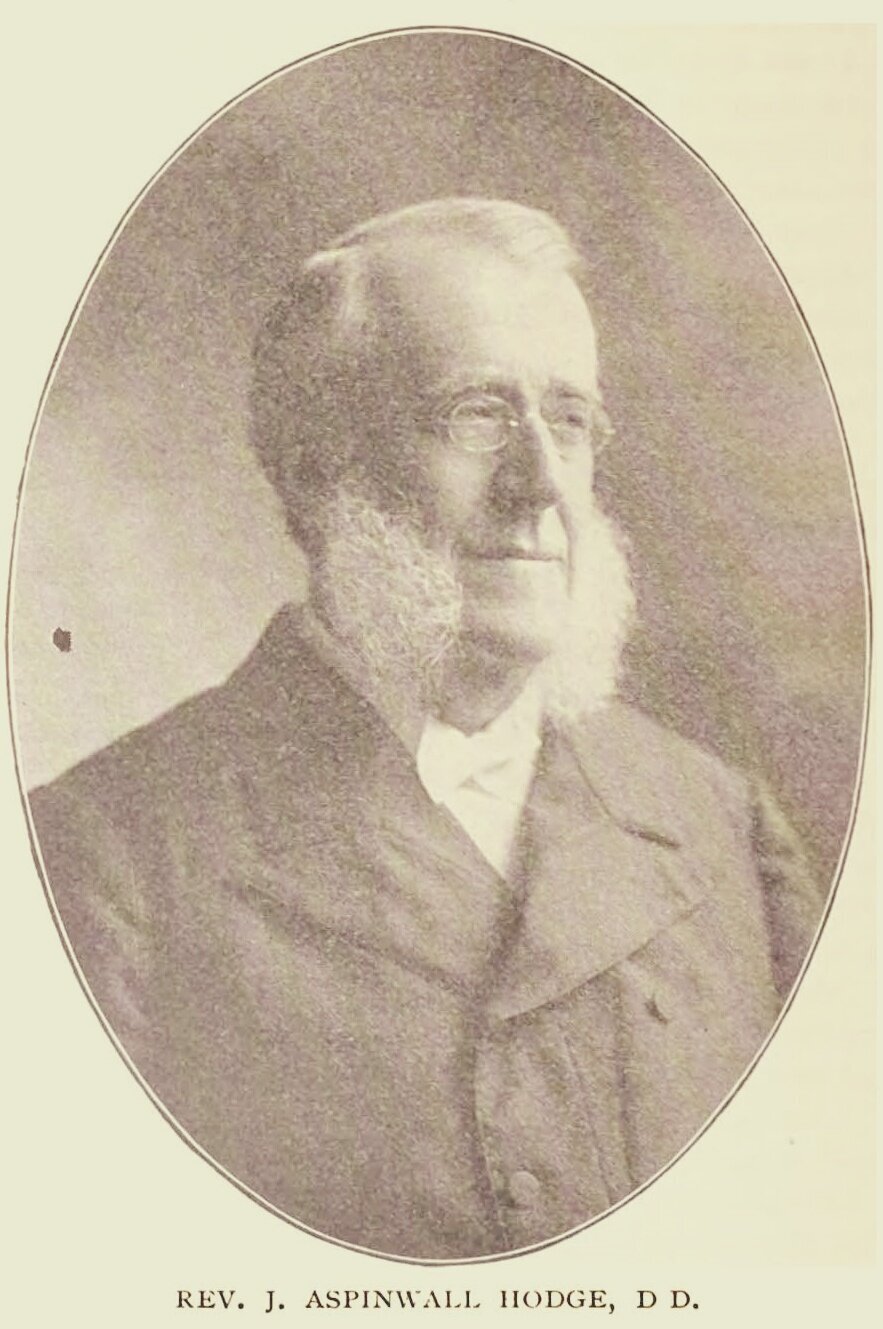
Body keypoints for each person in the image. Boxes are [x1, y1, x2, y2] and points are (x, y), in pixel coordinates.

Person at [28, 199, 821, 1259]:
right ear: (318, 470)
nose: (541, 483)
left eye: (569, 421)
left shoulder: (722, 824)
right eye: (477, 415)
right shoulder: (102, 861)